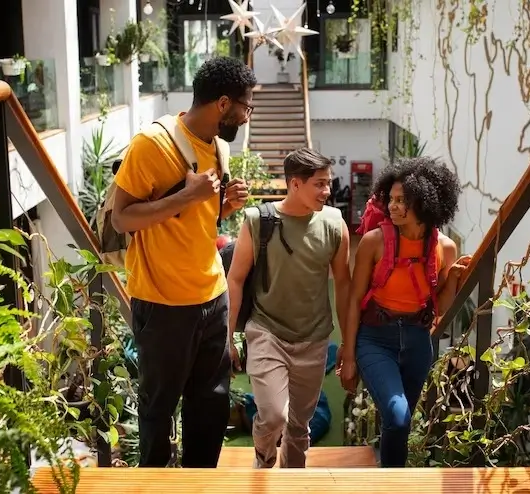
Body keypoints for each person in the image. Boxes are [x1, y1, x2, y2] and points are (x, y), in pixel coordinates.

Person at [110, 56, 256, 468]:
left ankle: (200, 483)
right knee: (159, 409)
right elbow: (123, 217)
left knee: (210, 408)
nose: (247, 116)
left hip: (212, 294)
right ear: (223, 104)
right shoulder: (152, 145)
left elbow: (196, 224)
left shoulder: (219, 149)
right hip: (163, 302)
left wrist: (223, 206)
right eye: (246, 106)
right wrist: (186, 197)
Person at [337, 157, 469, 468]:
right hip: (375, 338)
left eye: (402, 201)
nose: (393, 207)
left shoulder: (445, 248)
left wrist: (452, 280)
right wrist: (349, 355)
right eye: (391, 200)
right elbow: (355, 300)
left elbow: (441, 307)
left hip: (417, 342)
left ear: (423, 203)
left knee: (400, 422)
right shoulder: (374, 242)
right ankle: (392, 483)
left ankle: (388, 474)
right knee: (397, 416)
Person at [226, 147, 351, 468]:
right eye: (319, 184)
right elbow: (236, 279)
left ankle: (294, 478)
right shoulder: (257, 220)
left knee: (300, 424)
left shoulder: (334, 223)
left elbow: (344, 285)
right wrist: (228, 338)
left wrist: (349, 344)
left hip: (314, 338)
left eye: (328, 183)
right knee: (272, 415)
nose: (327, 191)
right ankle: (264, 463)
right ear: (295, 184)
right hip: (267, 331)